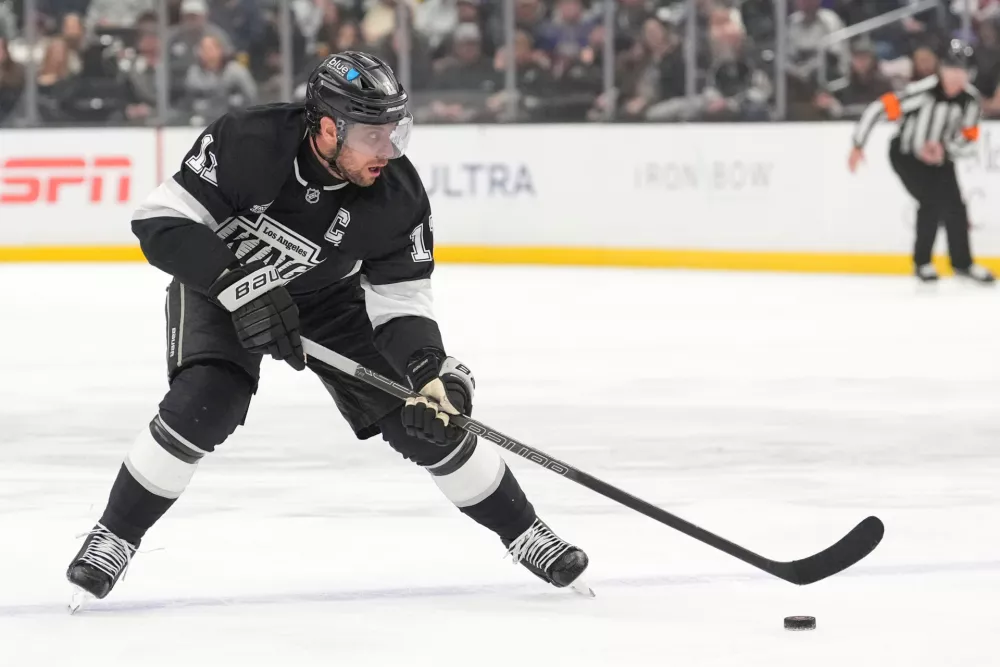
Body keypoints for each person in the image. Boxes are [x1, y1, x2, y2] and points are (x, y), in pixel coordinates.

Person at [65, 51, 590, 610]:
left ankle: (526, 532)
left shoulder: (398, 197)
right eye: (373, 134)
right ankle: (115, 535)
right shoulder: (249, 141)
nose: (388, 150)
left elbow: (401, 300)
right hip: (223, 282)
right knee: (206, 402)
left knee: (427, 423)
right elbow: (159, 221)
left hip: (329, 301)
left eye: (396, 132)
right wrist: (238, 286)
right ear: (328, 126)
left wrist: (430, 370)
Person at [848, 39, 994, 285]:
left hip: (941, 159)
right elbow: (879, 109)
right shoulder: (922, 92)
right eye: (952, 70)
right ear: (942, 69)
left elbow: (969, 140)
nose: (957, 77)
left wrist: (944, 150)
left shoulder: (970, 101)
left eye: (963, 72)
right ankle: (923, 262)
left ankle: (962, 264)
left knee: (955, 208)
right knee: (931, 202)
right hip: (906, 156)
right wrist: (858, 144)